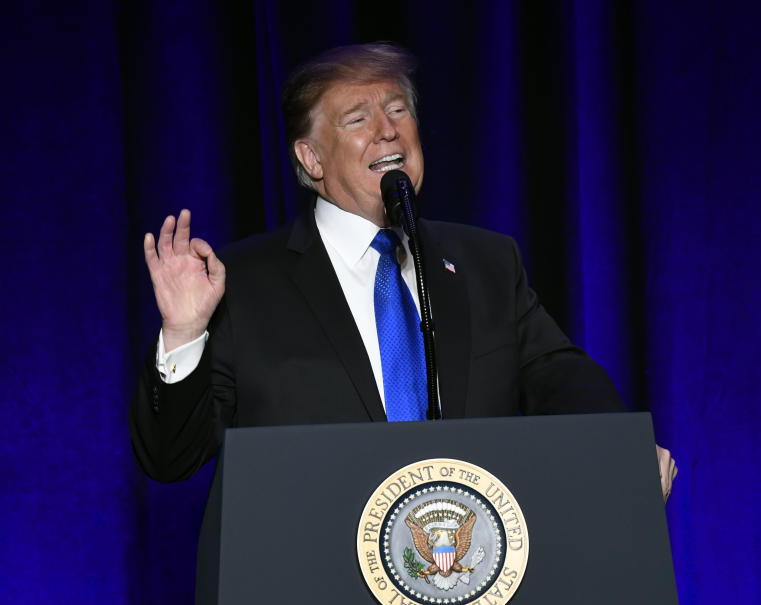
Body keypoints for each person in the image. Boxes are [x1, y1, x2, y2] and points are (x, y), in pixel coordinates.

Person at [129, 43, 678, 499]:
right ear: (311, 160)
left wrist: (619, 448)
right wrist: (183, 334)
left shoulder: (486, 263)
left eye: (398, 110)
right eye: (357, 118)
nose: (388, 131)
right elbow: (169, 457)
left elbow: (560, 378)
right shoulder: (243, 283)